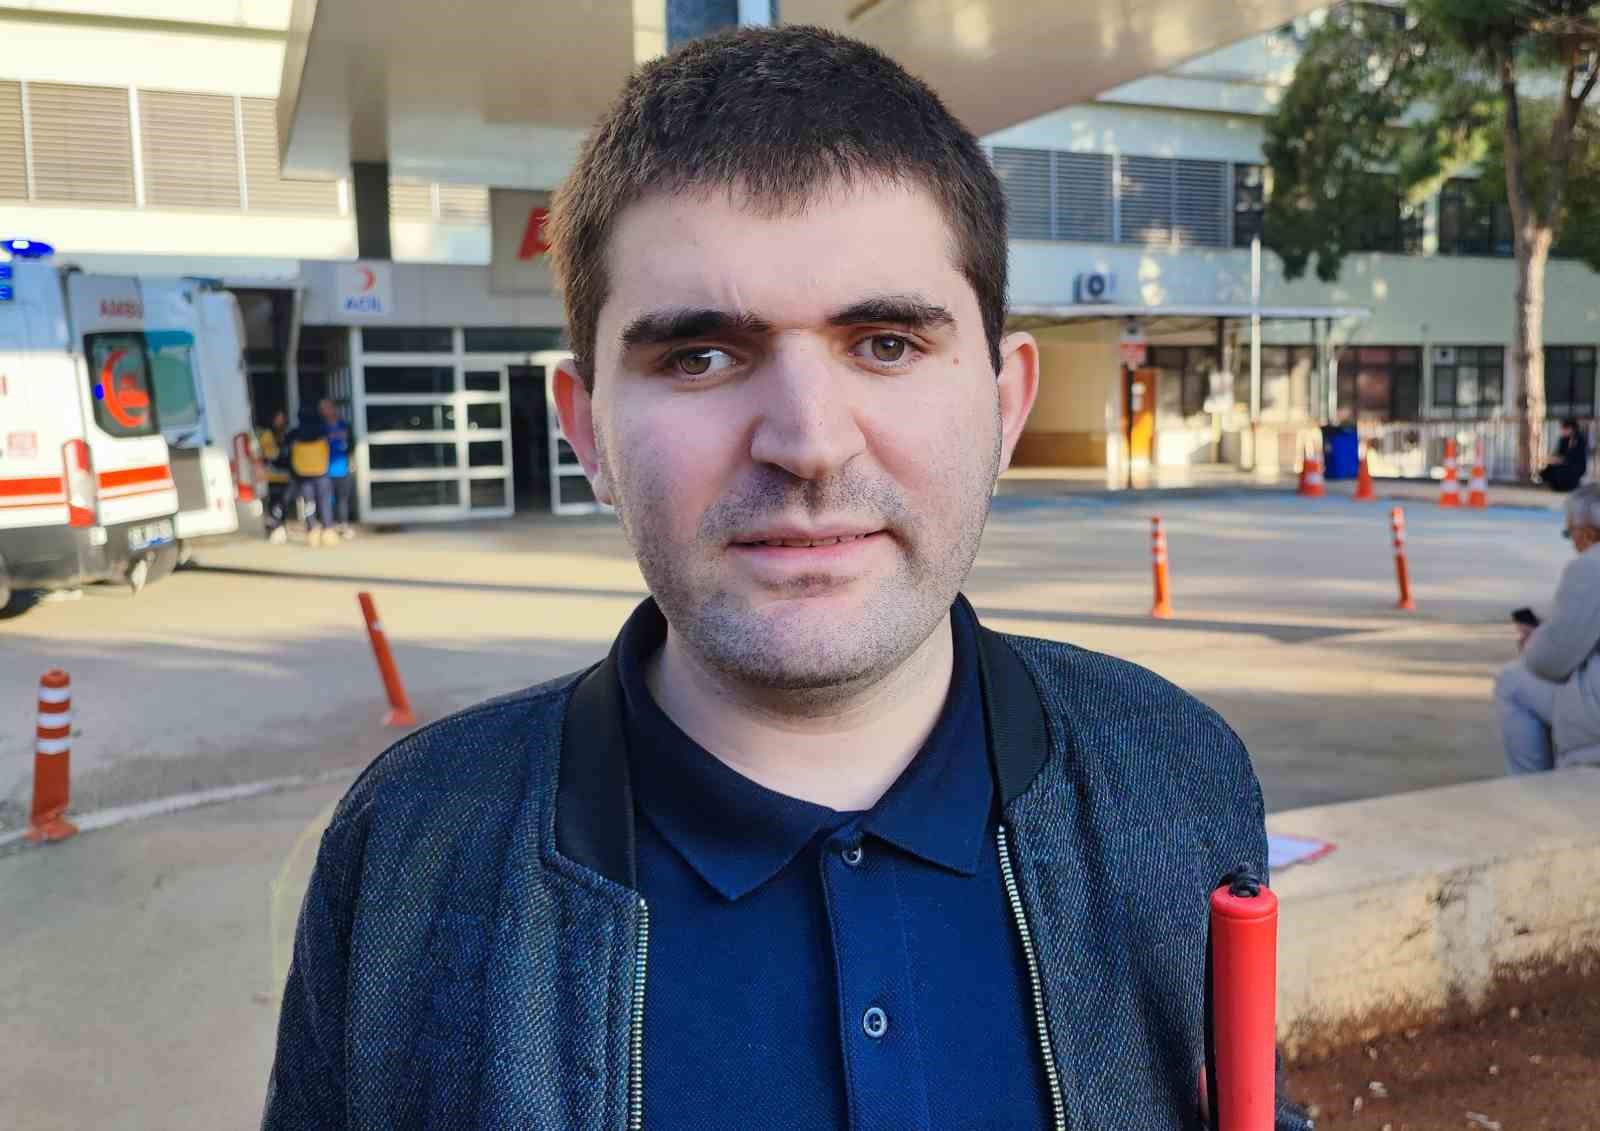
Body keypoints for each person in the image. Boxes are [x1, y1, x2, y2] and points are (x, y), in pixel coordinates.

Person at [263, 27, 1309, 1131]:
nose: (809, 443)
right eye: (700, 356)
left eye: (887, 344)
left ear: (1005, 405)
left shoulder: (1175, 776)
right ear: (587, 431)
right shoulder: (408, 853)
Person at [1494, 484, 1600, 773]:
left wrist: (1533, 641)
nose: (1572, 543)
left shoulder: (1589, 567)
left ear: (1588, 533)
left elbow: (1549, 662)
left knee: (1512, 681)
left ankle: (1534, 788)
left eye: (1569, 533)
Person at [287, 405, 333, 547]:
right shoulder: (323, 431)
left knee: (309, 503)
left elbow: (288, 450)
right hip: (321, 472)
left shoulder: (295, 434)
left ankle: (312, 530)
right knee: (324, 502)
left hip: (304, 473)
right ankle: (327, 530)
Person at [318, 398, 355, 539]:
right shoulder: (320, 428)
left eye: (328, 407)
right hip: (323, 470)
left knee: (342, 499)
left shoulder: (344, 425)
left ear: (334, 409)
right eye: (323, 409)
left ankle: (343, 525)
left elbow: (351, 444)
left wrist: (351, 462)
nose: (326, 411)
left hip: (342, 469)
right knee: (325, 500)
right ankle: (327, 526)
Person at [257, 410, 292, 545]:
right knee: (274, 504)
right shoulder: (267, 435)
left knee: (283, 503)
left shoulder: (286, 435)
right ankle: (274, 529)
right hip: (272, 476)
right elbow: (270, 455)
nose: (280, 421)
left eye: (282, 418)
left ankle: (281, 528)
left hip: (285, 475)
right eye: (278, 418)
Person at [1537, 417, 1590, 492]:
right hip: (1563, 463)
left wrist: (1562, 459)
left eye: (1564, 429)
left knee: (1560, 470)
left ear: (1571, 429)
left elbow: (1576, 456)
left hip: (1575, 466)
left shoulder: (1579, 440)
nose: (1562, 431)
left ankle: (1566, 485)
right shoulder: (1564, 440)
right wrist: (1553, 458)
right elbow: (1558, 452)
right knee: (1548, 469)